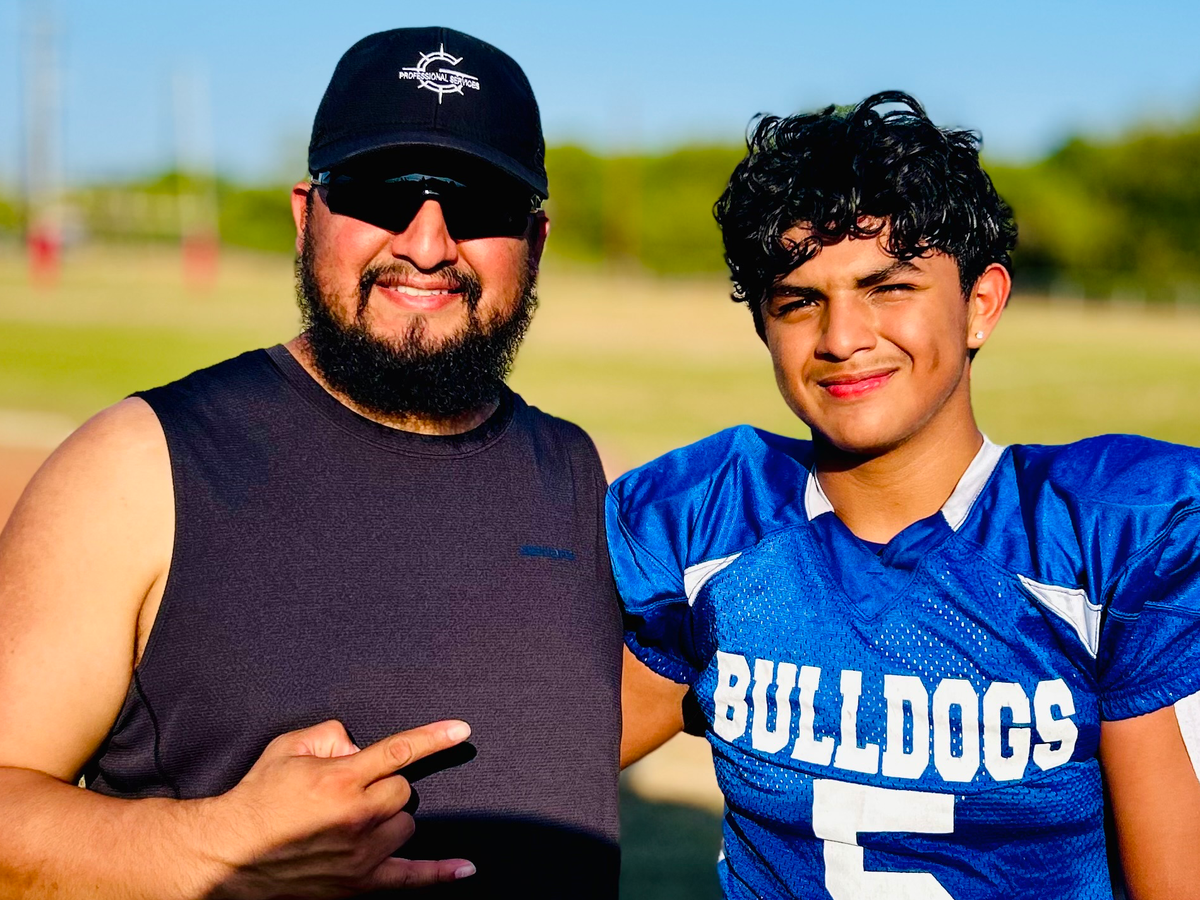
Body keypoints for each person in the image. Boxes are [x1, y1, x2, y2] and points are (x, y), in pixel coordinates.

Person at [0, 26, 678, 898]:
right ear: (305, 214)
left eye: (480, 203)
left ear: (535, 241)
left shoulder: (582, 477)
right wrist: (212, 849)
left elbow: (561, 744)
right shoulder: (138, 466)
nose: (427, 245)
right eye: (380, 192)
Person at [606, 91, 1200, 899]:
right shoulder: (711, 526)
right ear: (764, 328)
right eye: (800, 301)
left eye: (888, 288)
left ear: (980, 304)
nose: (843, 338)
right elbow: (528, 768)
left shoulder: (1105, 541)